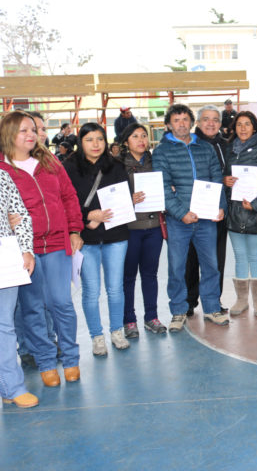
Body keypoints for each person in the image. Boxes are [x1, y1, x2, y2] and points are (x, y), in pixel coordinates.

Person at [0, 110, 83, 386]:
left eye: (33, 130)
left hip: (58, 243)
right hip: (25, 249)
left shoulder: (49, 161)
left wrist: (74, 230)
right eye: (24, 130)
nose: (31, 135)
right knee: (33, 308)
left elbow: (69, 196)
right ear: (9, 134)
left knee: (61, 302)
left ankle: (71, 358)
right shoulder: (2, 169)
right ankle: (46, 361)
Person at [153, 104, 229, 332]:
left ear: (191, 122)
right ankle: (178, 310)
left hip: (206, 220)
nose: (182, 124)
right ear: (169, 124)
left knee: (211, 266)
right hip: (179, 221)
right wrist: (181, 213)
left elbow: (217, 178)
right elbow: (163, 187)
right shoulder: (162, 152)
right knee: (177, 267)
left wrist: (220, 206)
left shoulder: (205, 148)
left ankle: (212, 307)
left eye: (186, 119)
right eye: (177, 120)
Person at [65, 123, 133, 354]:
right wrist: (87, 217)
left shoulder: (115, 165)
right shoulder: (69, 167)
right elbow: (66, 202)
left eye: (100, 139)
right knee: (91, 290)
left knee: (115, 288)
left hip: (116, 236)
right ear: (80, 142)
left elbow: (124, 200)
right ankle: (97, 336)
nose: (96, 144)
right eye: (89, 139)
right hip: (85, 240)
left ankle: (116, 331)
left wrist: (104, 217)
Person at [222, 111, 257, 316]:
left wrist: (256, 204)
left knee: (255, 254)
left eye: (247, 124)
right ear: (234, 128)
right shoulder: (230, 149)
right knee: (239, 255)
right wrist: (224, 181)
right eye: (239, 124)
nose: (243, 128)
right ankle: (241, 300)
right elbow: (224, 175)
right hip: (234, 210)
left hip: (255, 211)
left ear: (254, 126)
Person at [116, 123, 167, 337]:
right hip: (130, 229)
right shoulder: (117, 166)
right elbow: (109, 197)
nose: (141, 140)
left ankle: (151, 317)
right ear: (126, 142)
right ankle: (129, 320)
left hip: (153, 227)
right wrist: (128, 199)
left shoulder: (156, 162)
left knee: (150, 274)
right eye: (135, 136)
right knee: (128, 277)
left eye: (144, 135)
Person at [185, 105, 228, 316]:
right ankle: (189, 301)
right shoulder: (190, 144)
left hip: (219, 211)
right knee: (191, 259)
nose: (210, 123)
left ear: (220, 123)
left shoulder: (226, 145)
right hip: (195, 211)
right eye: (206, 119)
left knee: (216, 259)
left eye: (215, 120)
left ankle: (214, 301)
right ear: (198, 123)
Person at [0, 169, 37, 408]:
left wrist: (26, 249)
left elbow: (20, 214)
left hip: (5, 258)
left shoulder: (2, 176)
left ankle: (12, 386)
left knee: (4, 324)